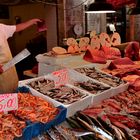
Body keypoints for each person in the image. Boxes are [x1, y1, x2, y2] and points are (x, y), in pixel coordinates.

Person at [0, 18, 43, 93]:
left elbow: (16, 28)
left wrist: (31, 22)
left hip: (9, 69)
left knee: (14, 90)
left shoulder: (1, 27)